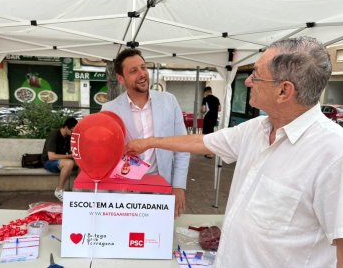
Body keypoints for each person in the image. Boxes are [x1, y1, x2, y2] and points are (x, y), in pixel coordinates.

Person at [125, 37, 343, 267]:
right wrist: (150, 142)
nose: (248, 82)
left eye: (256, 75)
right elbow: (202, 142)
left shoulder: (333, 153)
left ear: (283, 91)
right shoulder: (256, 128)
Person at [101, 48, 190, 217]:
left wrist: (179, 186)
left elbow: (182, 146)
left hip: (161, 184)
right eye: (134, 71)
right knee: (128, 236)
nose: (142, 74)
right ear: (121, 78)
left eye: (143, 67)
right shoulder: (109, 109)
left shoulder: (168, 101)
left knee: (158, 236)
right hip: (125, 189)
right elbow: (105, 154)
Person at [42, 117, 78, 202]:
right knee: (69, 163)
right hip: (49, 162)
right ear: (66, 127)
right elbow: (51, 156)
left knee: (81, 164)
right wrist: (69, 156)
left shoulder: (68, 137)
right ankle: (59, 190)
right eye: (72, 131)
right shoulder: (54, 135)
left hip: (62, 161)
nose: (73, 133)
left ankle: (77, 188)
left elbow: (71, 151)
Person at [201, 86, 220, 159]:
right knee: (212, 135)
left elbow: (203, 109)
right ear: (211, 91)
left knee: (206, 136)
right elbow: (219, 109)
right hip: (214, 119)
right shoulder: (216, 99)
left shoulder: (205, 99)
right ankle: (210, 152)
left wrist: (202, 110)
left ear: (206, 92)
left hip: (207, 119)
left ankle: (210, 153)